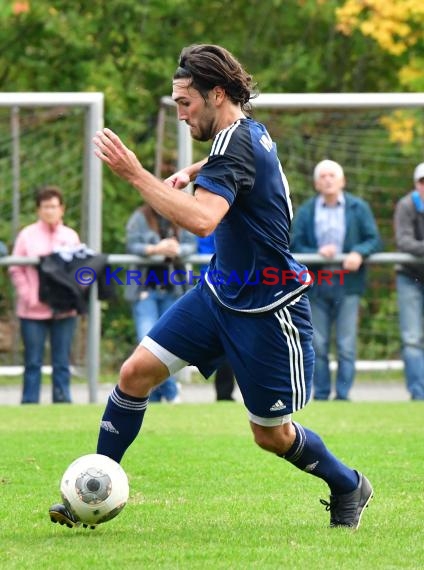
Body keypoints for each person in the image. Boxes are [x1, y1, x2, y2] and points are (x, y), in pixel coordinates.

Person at [49, 44, 373, 529]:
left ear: (217, 94)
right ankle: (92, 489)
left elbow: (202, 220)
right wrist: (193, 170)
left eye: (186, 102)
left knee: (271, 435)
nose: (180, 113)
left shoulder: (236, 144)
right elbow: (238, 168)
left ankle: (348, 484)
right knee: (135, 373)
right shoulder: (244, 133)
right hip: (217, 293)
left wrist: (136, 174)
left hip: (267, 308)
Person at [291, 160, 381, 401]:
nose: (328, 179)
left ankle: (342, 395)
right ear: (316, 182)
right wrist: (315, 252)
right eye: (323, 176)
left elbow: (373, 239)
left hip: (348, 283)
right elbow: (294, 243)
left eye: (332, 175)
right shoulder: (307, 210)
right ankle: (320, 394)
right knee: (317, 344)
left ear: (342, 181)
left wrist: (358, 252)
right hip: (317, 284)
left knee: (346, 344)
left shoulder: (358, 207)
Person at [9, 185, 80, 404]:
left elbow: (78, 269)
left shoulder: (70, 236)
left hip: (64, 310)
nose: (50, 211)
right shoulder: (27, 235)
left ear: (62, 209)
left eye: (54, 206)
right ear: (39, 210)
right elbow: (15, 267)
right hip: (32, 311)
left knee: (61, 362)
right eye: (45, 206)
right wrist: (27, 294)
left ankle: (63, 404)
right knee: (33, 362)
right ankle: (29, 405)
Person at [125, 203, 197, 402]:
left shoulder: (181, 216)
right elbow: (131, 244)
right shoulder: (140, 217)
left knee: (169, 345)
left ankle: (153, 396)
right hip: (145, 291)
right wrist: (154, 249)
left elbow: (192, 244)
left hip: (172, 291)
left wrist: (176, 249)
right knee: (147, 343)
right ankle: (172, 392)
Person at [394, 162, 424, 400]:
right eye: (422, 182)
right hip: (409, 276)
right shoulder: (406, 205)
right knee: (412, 338)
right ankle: (418, 394)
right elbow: (404, 242)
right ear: (416, 184)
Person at [197, 233, 236, 401]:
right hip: (219, 287)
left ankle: (225, 393)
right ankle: (224, 394)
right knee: (225, 341)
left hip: (237, 286)